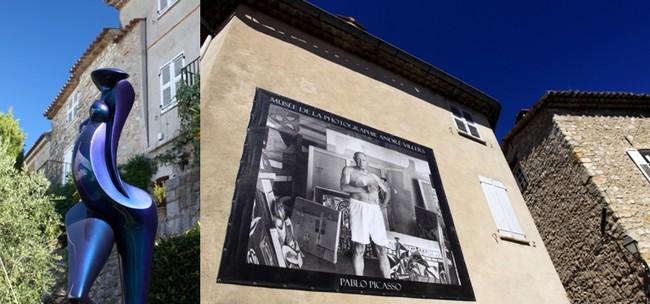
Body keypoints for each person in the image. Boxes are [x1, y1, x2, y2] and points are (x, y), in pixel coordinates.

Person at [340, 151, 391, 278]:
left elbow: (387, 191)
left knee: (381, 249)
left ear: (367, 162)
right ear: (354, 159)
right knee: (359, 248)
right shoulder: (349, 170)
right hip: (359, 207)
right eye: (358, 159)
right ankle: (358, 280)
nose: (360, 162)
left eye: (363, 160)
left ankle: (389, 280)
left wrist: (384, 203)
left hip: (375, 210)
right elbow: (344, 187)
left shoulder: (374, 176)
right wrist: (362, 189)